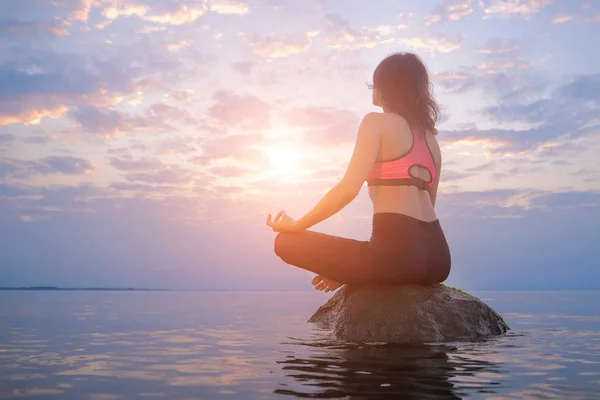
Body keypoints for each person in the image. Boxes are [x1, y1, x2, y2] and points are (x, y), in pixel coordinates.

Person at [266, 52, 451, 293]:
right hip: (438, 258)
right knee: (381, 256)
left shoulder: (376, 122)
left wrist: (298, 224)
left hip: (398, 257)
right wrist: (352, 269)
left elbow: (348, 189)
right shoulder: (431, 140)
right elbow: (430, 203)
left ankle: (368, 267)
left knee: (285, 243)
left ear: (385, 86)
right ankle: (368, 268)